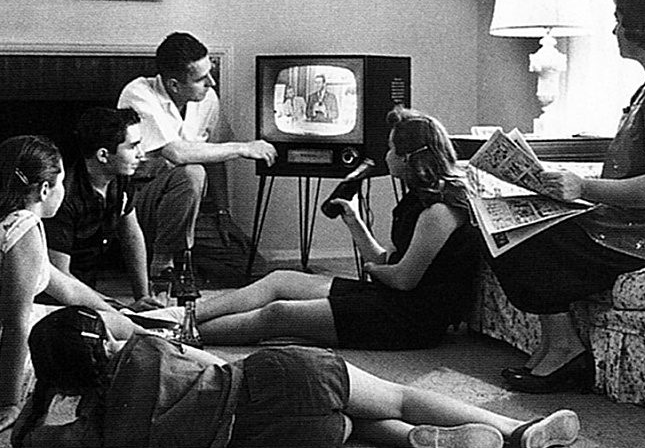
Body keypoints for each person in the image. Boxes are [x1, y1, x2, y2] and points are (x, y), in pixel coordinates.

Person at [490, 0, 645, 393]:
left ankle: (565, 351)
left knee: (523, 240)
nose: (614, 30)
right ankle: (555, 346)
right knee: (510, 230)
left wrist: (581, 188)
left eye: (620, 19)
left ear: (643, 25)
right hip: (640, 225)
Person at [11, 306, 581, 448]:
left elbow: (28, 447)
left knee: (350, 426)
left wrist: (40, 397)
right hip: (280, 382)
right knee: (396, 392)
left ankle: (411, 441)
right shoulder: (144, 348)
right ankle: (514, 428)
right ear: (105, 343)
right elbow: (204, 356)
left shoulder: (95, 434)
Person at [145, 107, 483, 350]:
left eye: (393, 149)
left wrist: (369, 268)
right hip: (390, 297)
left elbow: (403, 279)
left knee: (278, 314)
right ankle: (175, 316)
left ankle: (178, 335)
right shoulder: (417, 201)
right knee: (280, 280)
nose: (387, 155)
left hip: (410, 320)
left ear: (410, 159)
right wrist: (354, 222)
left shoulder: (439, 211)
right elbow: (387, 260)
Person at [0, 135, 145, 437]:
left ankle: (157, 332)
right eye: (61, 182)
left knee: (114, 323)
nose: (64, 191)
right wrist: (10, 405)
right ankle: (166, 343)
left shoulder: (3, 220)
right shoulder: (24, 228)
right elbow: (16, 324)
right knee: (105, 343)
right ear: (43, 190)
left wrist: (121, 314)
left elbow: (65, 287)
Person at [117, 32, 277, 279]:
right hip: (138, 204)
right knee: (192, 171)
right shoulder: (138, 94)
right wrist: (243, 148)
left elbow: (215, 155)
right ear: (173, 84)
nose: (211, 82)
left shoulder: (207, 97)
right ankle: (163, 262)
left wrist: (223, 212)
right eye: (202, 78)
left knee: (253, 269)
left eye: (210, 72)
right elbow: (176, 153)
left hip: (186, 210)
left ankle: (179, 253)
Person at [43, 107, 158, 309]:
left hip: (89, 293)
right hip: (56, 301)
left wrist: (143, 297)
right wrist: (118, 308)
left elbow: (132, 236)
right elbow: (61, 278)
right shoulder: (64, 197)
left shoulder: (120, 180)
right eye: (133, 147)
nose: (141, 155)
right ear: (103, 155)